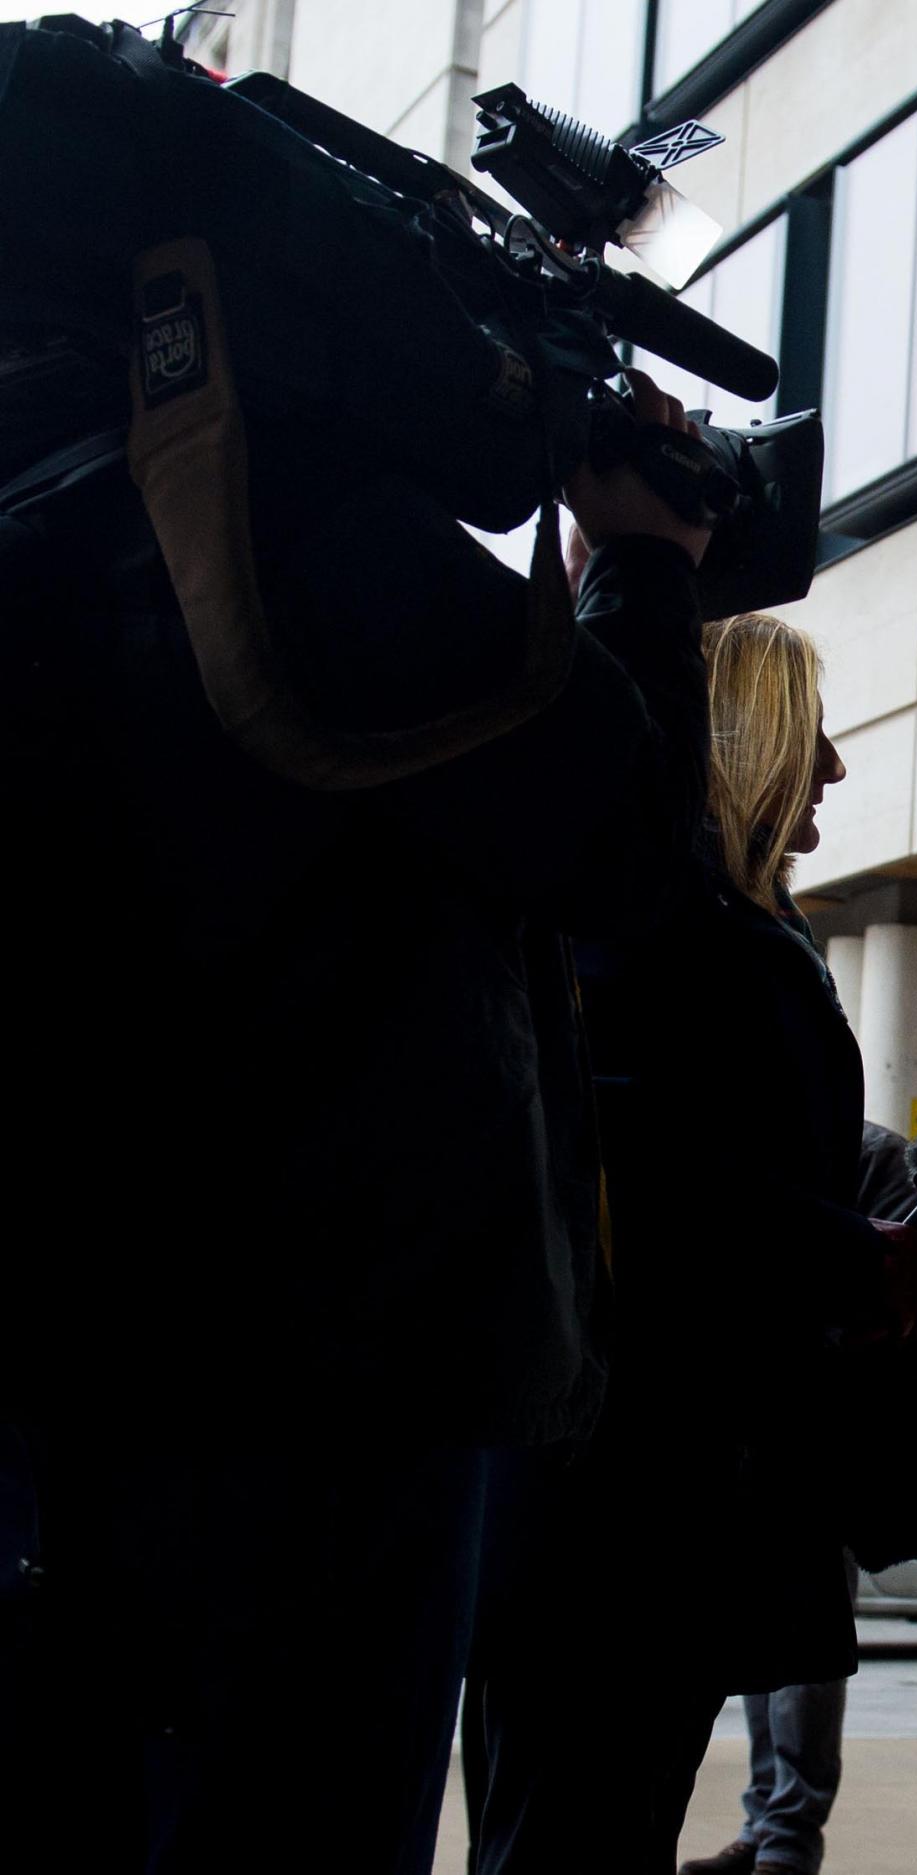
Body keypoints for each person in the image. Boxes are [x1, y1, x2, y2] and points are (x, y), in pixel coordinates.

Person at [0, 361, 716, 1871]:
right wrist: (646, 561)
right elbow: (625, 852)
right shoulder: (330, 530)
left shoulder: (60, 514)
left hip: (90, 1338)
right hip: (337, 1361)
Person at [466, 611, 917, 1873]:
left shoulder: (728, 927)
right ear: (743, 738)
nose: (834, 766)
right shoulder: (659, 923)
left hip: (662, 1514)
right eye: (816, 733)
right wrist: (856, 1256)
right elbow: (644, 1176)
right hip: (615, 1521)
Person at [678, 1123, 916, 1875]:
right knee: (756, 1646)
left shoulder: (874, 1155)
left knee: (806, 1661)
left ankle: (790, 1836)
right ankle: (766, 1822)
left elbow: (891, 1305)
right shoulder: (758, 1151)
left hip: (825, 1445)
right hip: (745, 1433)